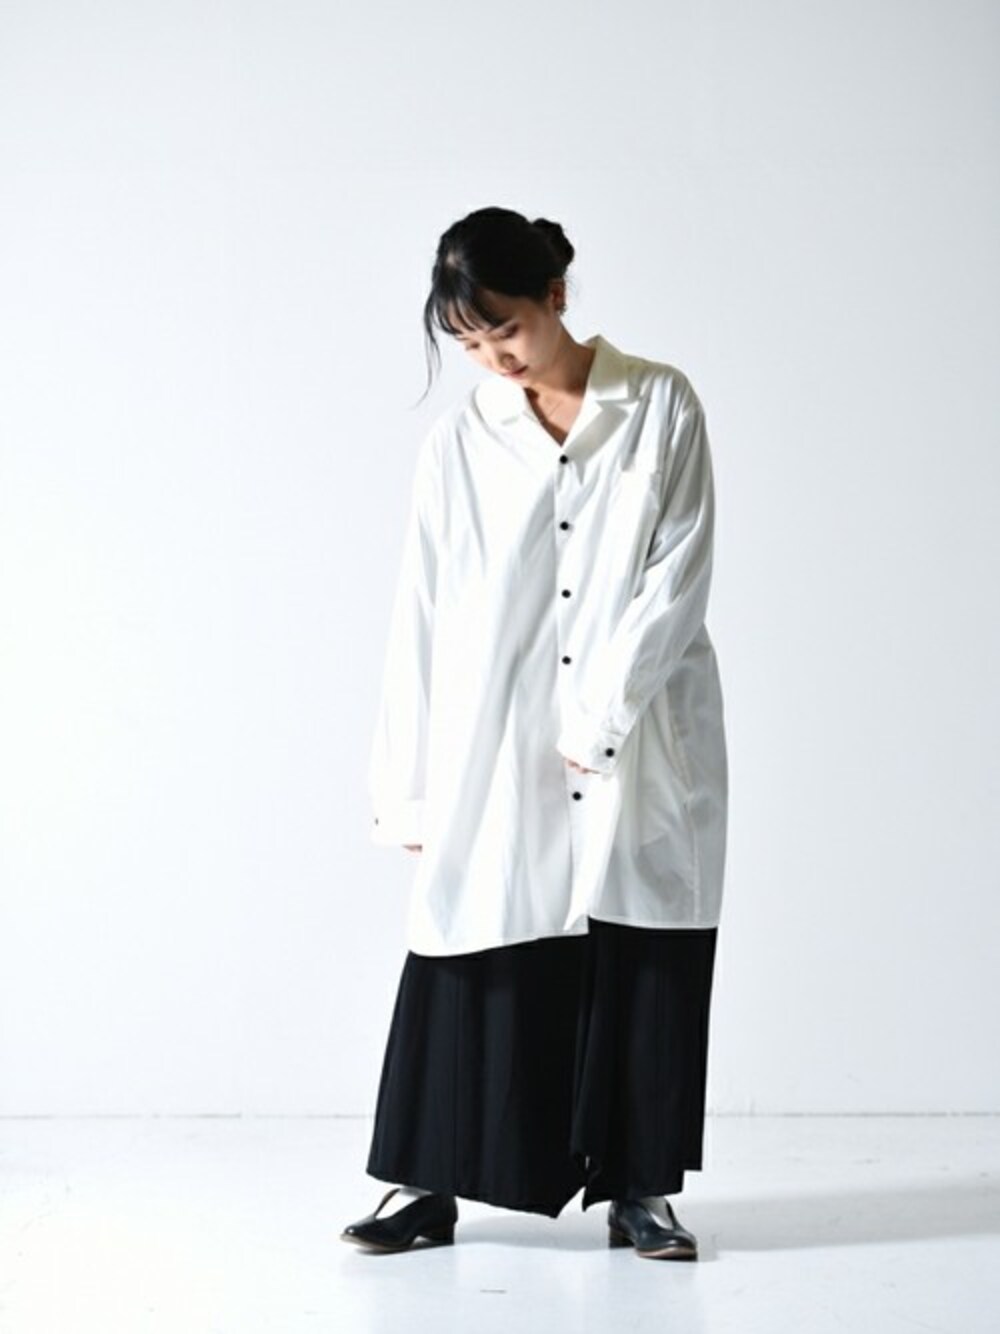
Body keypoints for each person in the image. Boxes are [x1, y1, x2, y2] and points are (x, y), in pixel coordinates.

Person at [341, 206, 728, 1260]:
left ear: (556, 295)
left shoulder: (659, 403)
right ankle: (426, 1184)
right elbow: (423, 606)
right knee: (473, 938)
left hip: (642, 731)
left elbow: (677, 574)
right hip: (496, 734)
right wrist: (409, 784)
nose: (491, 357)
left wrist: (599, 714)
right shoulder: (460, 440)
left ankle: (640, 1189)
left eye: (503, 328)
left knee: (641, 950)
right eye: (468, 343)